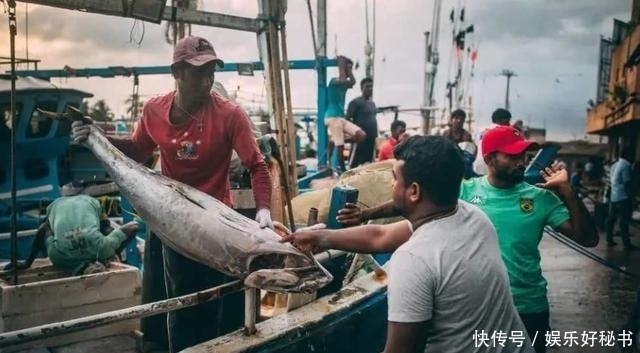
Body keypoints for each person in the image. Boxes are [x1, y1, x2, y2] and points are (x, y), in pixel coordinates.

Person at [71, 36, 274, 352]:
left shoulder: (230, 114)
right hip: (171, 219)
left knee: (212, 297)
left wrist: (263, 211)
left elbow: (257, 166)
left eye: (211, 70)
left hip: (214, 221)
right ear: (176, 72)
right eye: (198, 71)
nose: (207, 79)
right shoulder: (154, 110)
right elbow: (138, 150)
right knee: (179, 296)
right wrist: (96, 134)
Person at [339, 126, 599, 353]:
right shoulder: (466, 192)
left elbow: (587, 239)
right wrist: (365, 214)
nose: (522, 161)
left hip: (529, 306)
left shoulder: (541, 198)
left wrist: (567, 191)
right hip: (475, 308)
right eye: (513, 155)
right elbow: (411, 200)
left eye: (524, 155)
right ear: (489, 159)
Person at [283, 135, 533, 353]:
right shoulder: (472, 216)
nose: (392, 185)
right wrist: (321, 237)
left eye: (394, 179)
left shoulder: (414, 259)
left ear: (413, 191)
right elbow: (380, 236)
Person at [3, 192, 139, 275]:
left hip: (68, 203)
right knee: (106, 228)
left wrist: (112, 247)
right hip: (59, 205)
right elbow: (44, 230)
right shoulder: (58, 259)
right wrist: (113, 251)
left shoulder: (101, 249)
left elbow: (133, 227)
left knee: (107, 229)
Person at [324, 55, 366, 172]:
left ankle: (335, 141)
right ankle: (343, 171)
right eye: (347, 69)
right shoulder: (334, 82)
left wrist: (349, 68)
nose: (348, 71)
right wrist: (341, 63)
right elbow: (342, 79)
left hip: (340, 118)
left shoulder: (345, 85)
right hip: (332, 117)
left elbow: (353, 81)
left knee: (361, 135)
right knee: (340, 148)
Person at [606, 146, 636, 249]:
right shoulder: (626, 166)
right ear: (628, 155)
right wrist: (632, 197)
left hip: (614, 196)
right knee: (624, 221)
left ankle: (609, 239)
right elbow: (627, 183)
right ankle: (626, 244)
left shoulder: (615, 165)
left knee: (611, 220)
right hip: (623, 197)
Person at [346, 77, 378, 168]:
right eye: (367, 86)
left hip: (371, 139)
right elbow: (347, 120)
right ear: (361, 88)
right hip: (359, 139)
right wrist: (353, 135)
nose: (370, 88)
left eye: (371, 86)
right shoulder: (355, 102)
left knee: (368, 164)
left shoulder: (372, 104)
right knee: (354, 164)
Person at [473, 108, 512, 176]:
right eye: (507, 121)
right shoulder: (502, 131)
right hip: (490, 171)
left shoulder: (482, 131)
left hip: (477, 168)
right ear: (500, 120)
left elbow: (476, 148)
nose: (509, 124)